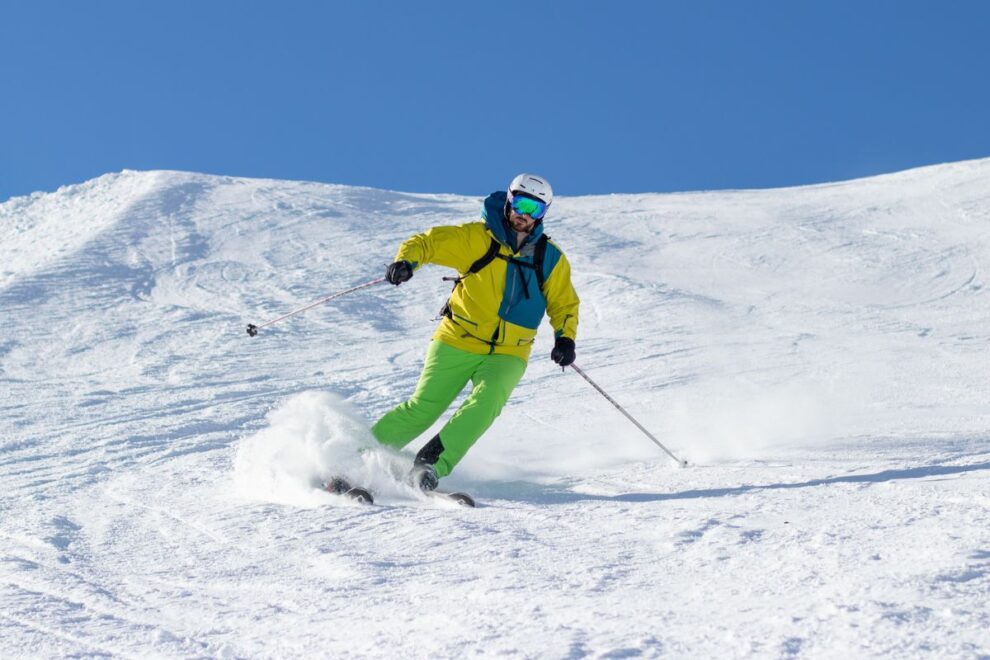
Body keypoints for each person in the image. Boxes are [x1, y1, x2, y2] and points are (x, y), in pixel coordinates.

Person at [371, 173, 580, 490]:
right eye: (521, 204)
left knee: (484, 406)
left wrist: (565, 337)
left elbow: (564, 303)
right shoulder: (477, 238)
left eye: (535, 209)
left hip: (510, 352)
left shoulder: (550, 258)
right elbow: (426, 243)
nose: (525, 215)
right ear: (509, 201)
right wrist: (407, 263)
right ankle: (357, 456)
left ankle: (430, 466)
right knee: (424, 408)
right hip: (458, 339)